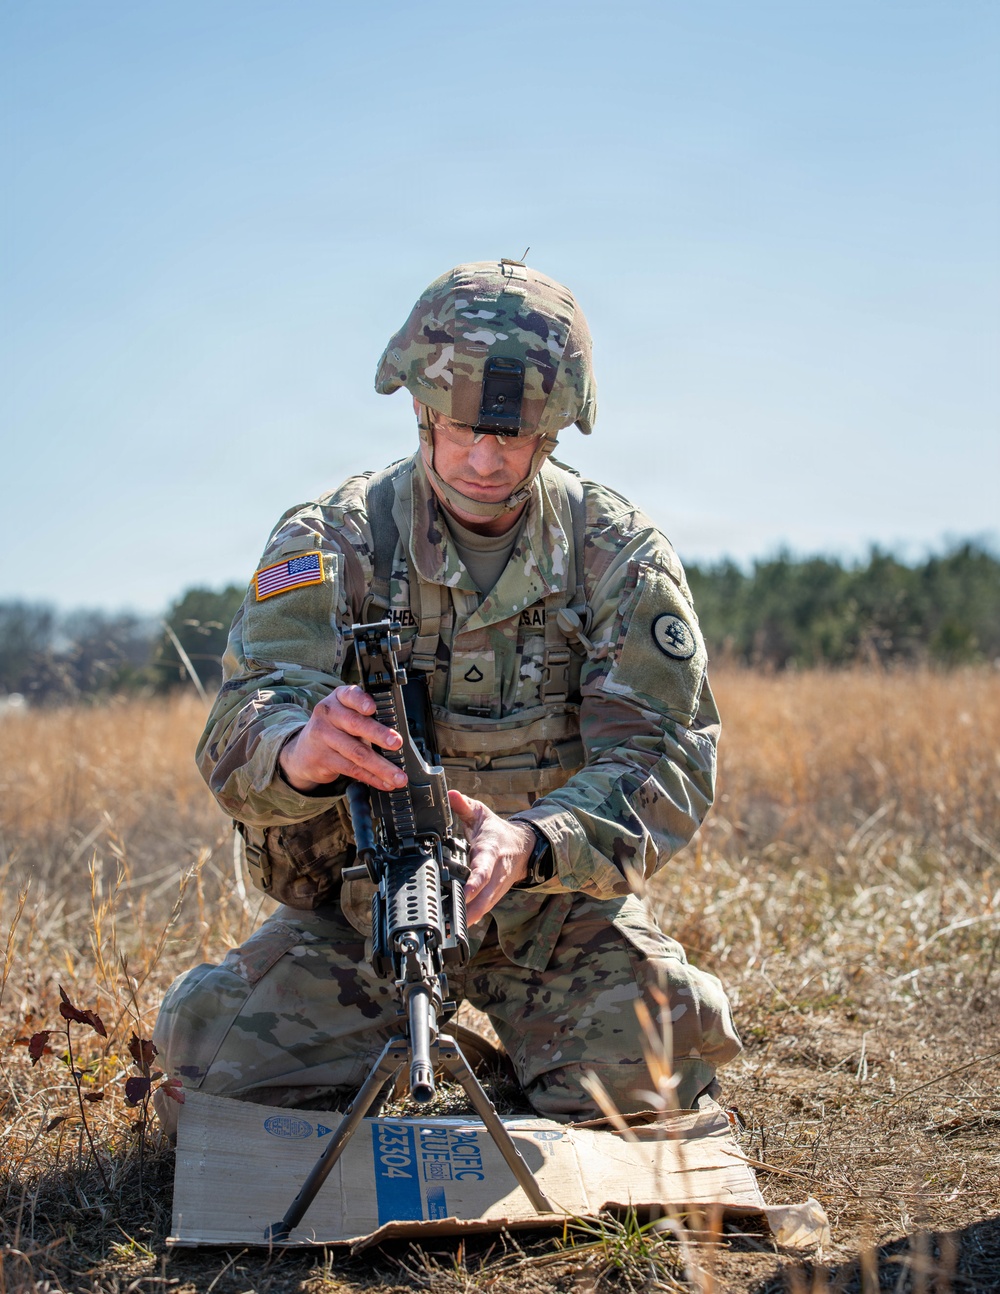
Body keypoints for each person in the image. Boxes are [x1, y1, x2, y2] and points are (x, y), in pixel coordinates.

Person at [152, 259, 741, 1134]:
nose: (482, 457)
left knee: (666, 1061)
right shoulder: (335, 538)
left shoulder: (616, 553)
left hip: (551, 912)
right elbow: (245, 713)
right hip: (363, 909)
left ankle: (527, 1064)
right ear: (421, 408)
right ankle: (483, 1064)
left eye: (513, 436)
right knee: (210, 1059)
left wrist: (531, 841)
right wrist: (298, 749)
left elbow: (668, 757)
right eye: (462, 427)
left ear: (553, 432)